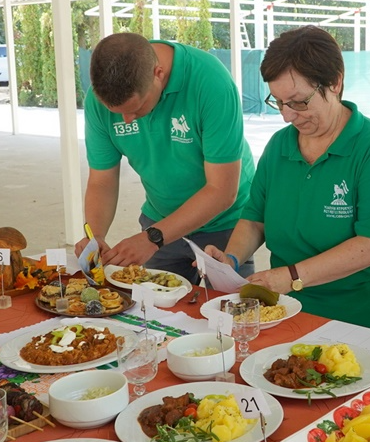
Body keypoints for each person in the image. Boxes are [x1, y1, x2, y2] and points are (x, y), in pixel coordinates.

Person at [204, 26, 370, 336]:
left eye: (298, 102)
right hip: (295, 310)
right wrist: (232, 258)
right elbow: (255, 219)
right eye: (278, 102)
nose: (287, 116)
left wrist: (291, 276)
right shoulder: (280, 146)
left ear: (334, 83)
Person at [76, 32, 256, 285]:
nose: (128, 120)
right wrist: (95, 236)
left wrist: (152, 239)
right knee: (153, 313)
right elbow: (101, 181)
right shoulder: (99, 99)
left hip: (224, 224)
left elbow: (222, 190)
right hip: (159, 219)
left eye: (136, 108)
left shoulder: (211, 83)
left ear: (158, 73)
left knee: (233, 316)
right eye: (118, 113)